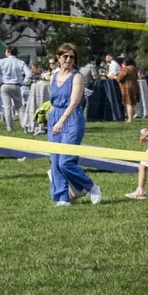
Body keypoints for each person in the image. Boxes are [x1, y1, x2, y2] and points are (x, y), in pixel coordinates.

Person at [46, 43, 102, 207]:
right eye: (65, 56)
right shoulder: (54, 75)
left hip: (71, 119)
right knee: (55, 161)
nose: (69, 59)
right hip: (54, 117)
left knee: (65, 162)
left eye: (72, 57)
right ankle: (62, 197)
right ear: (58, 58)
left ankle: (91, 187)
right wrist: (49, 113)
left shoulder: (77, 77)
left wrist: (61, 120)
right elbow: (53, 99)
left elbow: (74, 102)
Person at [0, 46, 29, 131]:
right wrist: (23, 82)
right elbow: (29, 74)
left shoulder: (2, 61)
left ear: (8, 52)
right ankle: (24, 125)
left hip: (5, 85)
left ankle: (9, 127)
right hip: (16, 85)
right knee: (20, 107)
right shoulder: (20, 62)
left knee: (7, 107)